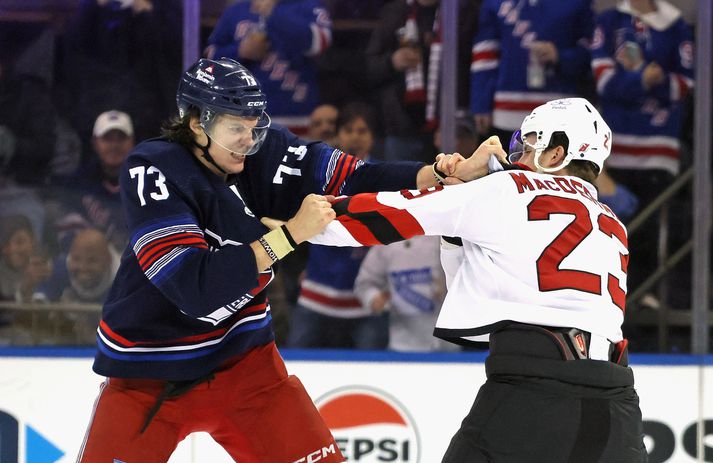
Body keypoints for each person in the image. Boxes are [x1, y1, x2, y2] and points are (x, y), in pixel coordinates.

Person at [76, 57, 446, 462]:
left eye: (253, 127)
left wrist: (441, 173)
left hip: (246, 367)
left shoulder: (264, 152)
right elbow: (194, 289)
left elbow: (357, 178)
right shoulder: (153, 168)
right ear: (197, 123)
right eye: (235, 128)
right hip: (148, 376)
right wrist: (286, 237)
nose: (248, 141)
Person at [308, 98, 647, 462]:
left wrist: (296, 226)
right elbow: (481, 295)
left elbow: (383, 215)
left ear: (555, 155)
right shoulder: (613, 221)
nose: (519, 153)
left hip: (532, 390)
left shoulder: (505, 188)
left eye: (531, 142)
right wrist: (457, 234)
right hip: (617, 403)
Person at [590, 0, 694, 292]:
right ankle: (622, 309)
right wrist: (642, 80)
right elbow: (604, 82)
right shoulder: (610, 21)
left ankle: (651, 309)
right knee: (613, 238)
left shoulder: (675, 26)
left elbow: (684, 86)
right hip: (615, 152)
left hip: (659, 150)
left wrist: (644, 83)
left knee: (655, 236)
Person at [289, 102, 389, 349]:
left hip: (363, 302)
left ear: (373, 137)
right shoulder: (317, 173)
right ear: (338, 135)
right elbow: (291, 221)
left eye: (362, 131)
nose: (355, 137)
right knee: (294, 369)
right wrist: (299, 268)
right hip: (315, 296)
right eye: (349, 130)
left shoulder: (385, 177)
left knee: (373, 377)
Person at [470, 0, 595, 143]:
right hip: (508, 111)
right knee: (509, 163)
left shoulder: (579, 3)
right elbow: (486, 52)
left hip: (562, 112)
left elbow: (592, 51)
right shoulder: (495, 3)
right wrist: (481, 103)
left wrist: (560, 56)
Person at [205, 0, 332, 136]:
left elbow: (320, 43)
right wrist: (240, 52)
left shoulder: (308, 6)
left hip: (299, 119)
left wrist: (274, 13)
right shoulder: (237, 10)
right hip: (244, 119)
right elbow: (209, 58)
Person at [354, 234, 454, 352]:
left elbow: (466, 275)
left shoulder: (444, 238)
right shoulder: (386, 243)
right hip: (401, 337)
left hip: (447, 336)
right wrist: (374, 298)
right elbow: (365, 283)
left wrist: (450, 287)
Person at [54, 110, 135, 251]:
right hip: (90, 259)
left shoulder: (148, 181)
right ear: (95, 143)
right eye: (107, 139)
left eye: (121, 138)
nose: (114, 145)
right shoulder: (78, 182)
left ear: (132, 142)